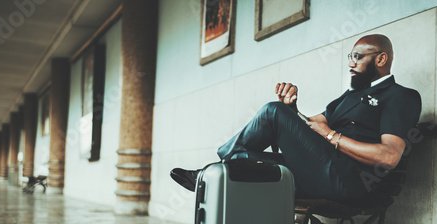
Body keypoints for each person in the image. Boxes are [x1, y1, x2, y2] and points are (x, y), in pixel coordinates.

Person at [171, 34, 421, 204]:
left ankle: (209, 170)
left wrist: (331, 135)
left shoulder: (401, 96)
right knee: (240, 161)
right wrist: (293, 108)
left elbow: (388, 157)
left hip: (349, 180)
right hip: (319, 170)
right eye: (349, 57)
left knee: (271, 111)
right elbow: (310, 124)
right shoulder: (348, 97)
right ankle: (217, 169)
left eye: (358, 57)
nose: (351, 64)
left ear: (381, 59)